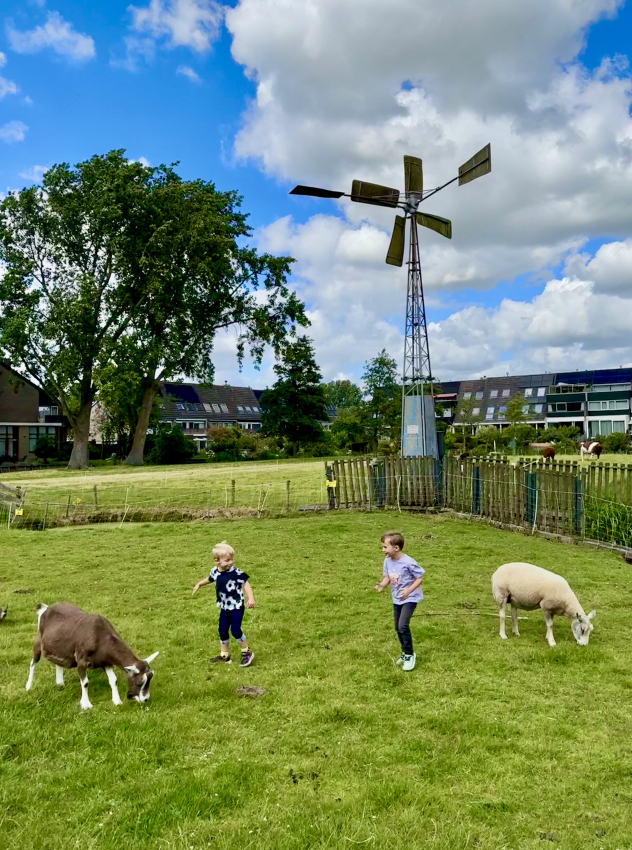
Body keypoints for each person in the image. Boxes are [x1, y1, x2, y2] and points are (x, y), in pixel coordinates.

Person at [192, 540, 255, 667]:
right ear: (217, 561)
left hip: (236, 606)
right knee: (222, 630)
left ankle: (246, 652)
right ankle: (224, 656)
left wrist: (251, 598)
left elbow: (245, 583)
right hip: (224, 607)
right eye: (227, 560)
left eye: (232, 559)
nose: (230, 562)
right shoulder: (215, 571)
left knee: (235, 630)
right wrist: (199, 584)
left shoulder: (235, 572)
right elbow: (209, 579)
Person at [374, 531, 424, 671]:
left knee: (402, 626)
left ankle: (409, 654)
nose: (383, 550)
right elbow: (387, 577)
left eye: (385, 547)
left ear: (396, 548)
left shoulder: (408, 562)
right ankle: (404, 652)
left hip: (410, 598)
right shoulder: (388, 561)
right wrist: (382, 585)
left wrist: (409, 590)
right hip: (397, 598)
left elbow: (420, 577)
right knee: (397, 627)